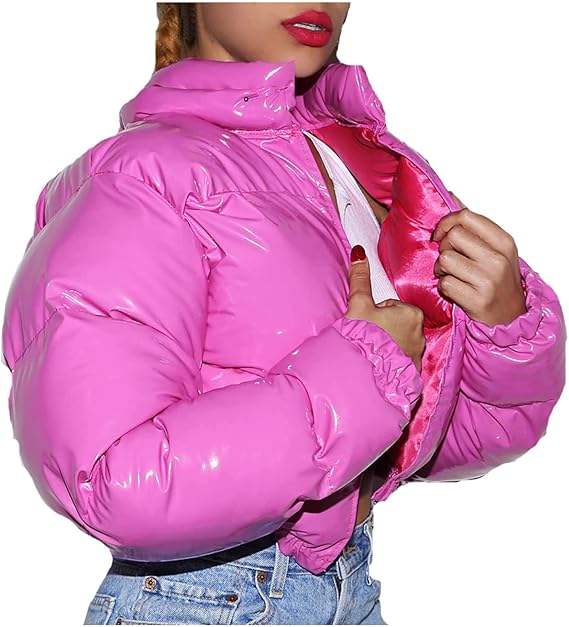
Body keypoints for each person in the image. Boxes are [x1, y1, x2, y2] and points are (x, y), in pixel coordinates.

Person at [1, 2, 565, 625]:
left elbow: (420, 444)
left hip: (347, 589)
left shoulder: (345, 163)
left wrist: (501, 332)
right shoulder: (141, 177)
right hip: (203, 602)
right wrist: (362, 368)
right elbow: (109, 480)